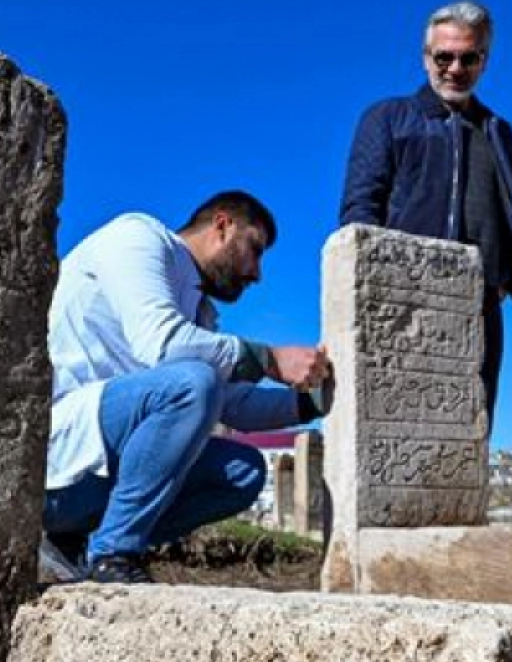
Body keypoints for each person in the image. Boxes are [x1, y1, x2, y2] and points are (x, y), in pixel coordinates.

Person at [41, 191, 331, 584]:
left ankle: (80, 542)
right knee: (195, 382)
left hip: (101, 473)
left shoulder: (197, 309)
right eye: (255, 249)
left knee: (242, 473)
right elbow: (159, 342)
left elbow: (233, 404)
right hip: (57, 457)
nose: (257, 273)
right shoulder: (137, 238)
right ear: (223, 226)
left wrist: (312, 403)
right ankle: (113, 556)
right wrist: (268, 359)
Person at [339, 0, 512, 425]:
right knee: (398, 427)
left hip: (480, 302)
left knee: (472, 425)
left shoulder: (499, 131)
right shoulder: (388, 117)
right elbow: (361, 206)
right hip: (403, 297)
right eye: (443, 57)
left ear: (484, 61)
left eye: (468, 57)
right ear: (424, 57)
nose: (454, 68)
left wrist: (504, 277)